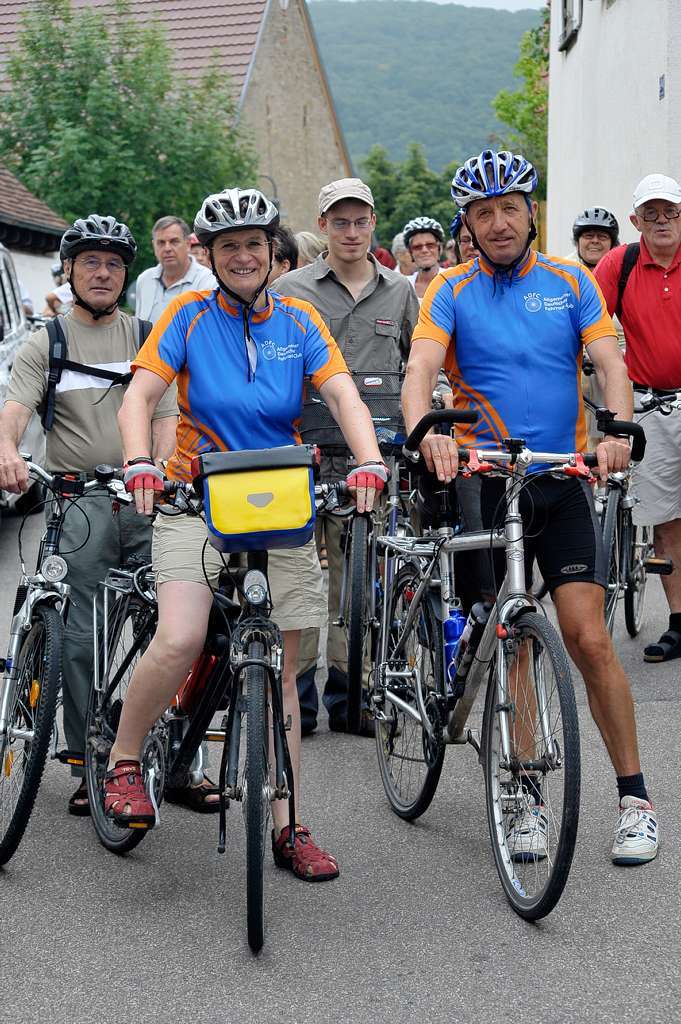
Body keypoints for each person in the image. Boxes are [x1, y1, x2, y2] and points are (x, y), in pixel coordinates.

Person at [104, 186, 388, 880]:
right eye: (226, 246)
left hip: (278, 503)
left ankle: (288, 825)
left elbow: (342, 393)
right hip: (195, 496)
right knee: (180, 637)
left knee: (281, 674)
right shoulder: (187, 315)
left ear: (271, 250)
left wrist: (371, 461)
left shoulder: (298, 319)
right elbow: (141, 395)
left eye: (252, 245)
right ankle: (121, 761)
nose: (241, 256)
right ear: (209, 254)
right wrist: (140, 461)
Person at [402, 149, 659, 866]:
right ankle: (524, 797)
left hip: (558, 476)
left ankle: (634, 798)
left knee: (587, 635)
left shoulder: (569, 279)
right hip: (483, 477)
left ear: (529, 213)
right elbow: (422, 369)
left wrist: (613, 431)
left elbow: (609, 361)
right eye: (483, 213)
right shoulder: (448, 288)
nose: (498, 222)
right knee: (509, 630)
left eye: (509, 208)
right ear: (468, 226)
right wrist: (429, 437)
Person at [0, 214, 178, 816]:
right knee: (81, 636)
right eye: (90, 262)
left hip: (146, 496)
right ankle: (87, 760)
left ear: (126, 275)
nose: (102, 273)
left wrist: (153, 471)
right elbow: (16, 409)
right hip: (78, 500)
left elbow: (165, 419)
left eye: (113, 264)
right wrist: (6, 453)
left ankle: (166, 755)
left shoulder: (149, 334)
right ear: (70, 271)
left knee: (172, 627)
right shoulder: (46, 340)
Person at [275, 177, 420, 736]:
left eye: (361, 221)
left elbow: (416, 366)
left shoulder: (401, 290)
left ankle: (350, 691)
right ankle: (297, 696)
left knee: (356, 583)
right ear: (324, 225)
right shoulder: (289, 288)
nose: (351, 232)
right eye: (340, 222)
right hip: (304, 451)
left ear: (374, 224)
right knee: (297, 574)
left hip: (370, 455)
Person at [595, 173, 681, 664]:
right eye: (651, 213)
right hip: (653, 404)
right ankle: (678, 621)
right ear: (635, 221)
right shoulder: (619, 263)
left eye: (670, 211)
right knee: (669, 521)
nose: (662, 221)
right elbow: (589, 321)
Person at [571, 208, 621, 447]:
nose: (594, 241)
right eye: (588, 235)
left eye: (602, 236)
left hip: (614, 363)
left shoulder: (624, 271)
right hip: (577, 369)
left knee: (613, 432)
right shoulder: (565, 272)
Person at [135, 216, 215, 323]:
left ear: (187, 244)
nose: (167, 248)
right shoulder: (144, 280)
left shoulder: (208, 282)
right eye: (161, 243)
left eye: (174, 242)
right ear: (154, 246)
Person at [403, 217, 446, 301]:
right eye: (417, 247)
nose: (424, 250)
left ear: (439, 248)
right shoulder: (405, 286)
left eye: (430, 245)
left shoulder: (452, 279)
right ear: (410, 252)